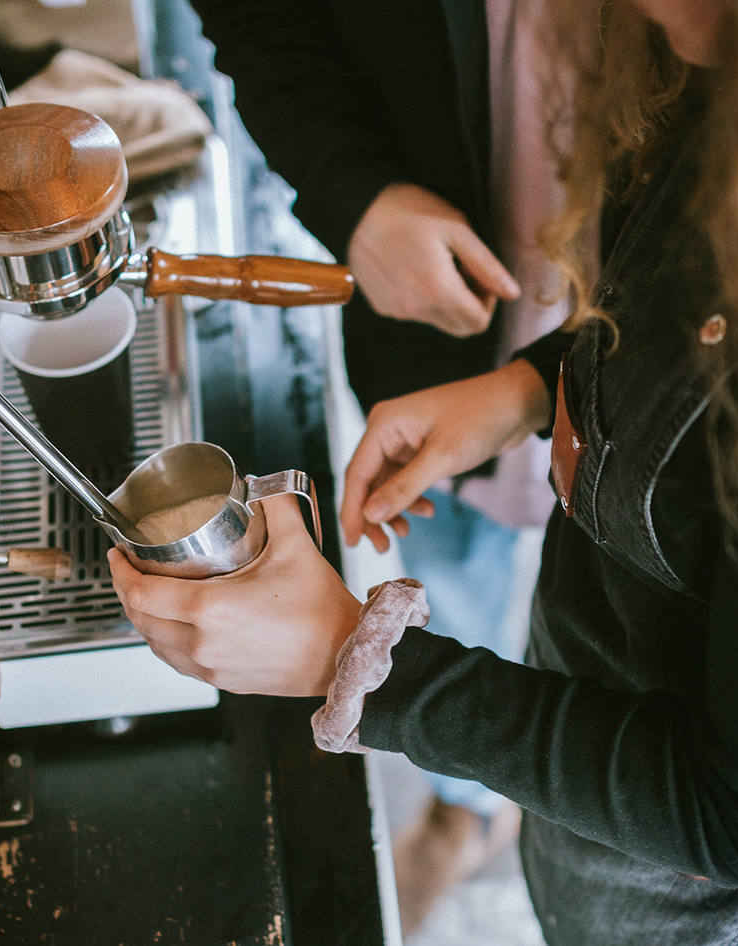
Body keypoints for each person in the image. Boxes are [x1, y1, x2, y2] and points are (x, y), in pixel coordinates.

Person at [111, 1, 738, 943]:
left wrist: (354, 663)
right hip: (626, 769)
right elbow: (683, 313)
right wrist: (528, 386)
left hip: (725, 887)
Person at [185, 0, 581, 930]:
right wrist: (354, 193)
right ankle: (467, 808)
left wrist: (355, 667)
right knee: (457, 574)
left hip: (645, 354)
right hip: (444, 338)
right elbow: (261, 25)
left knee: (611, 629)